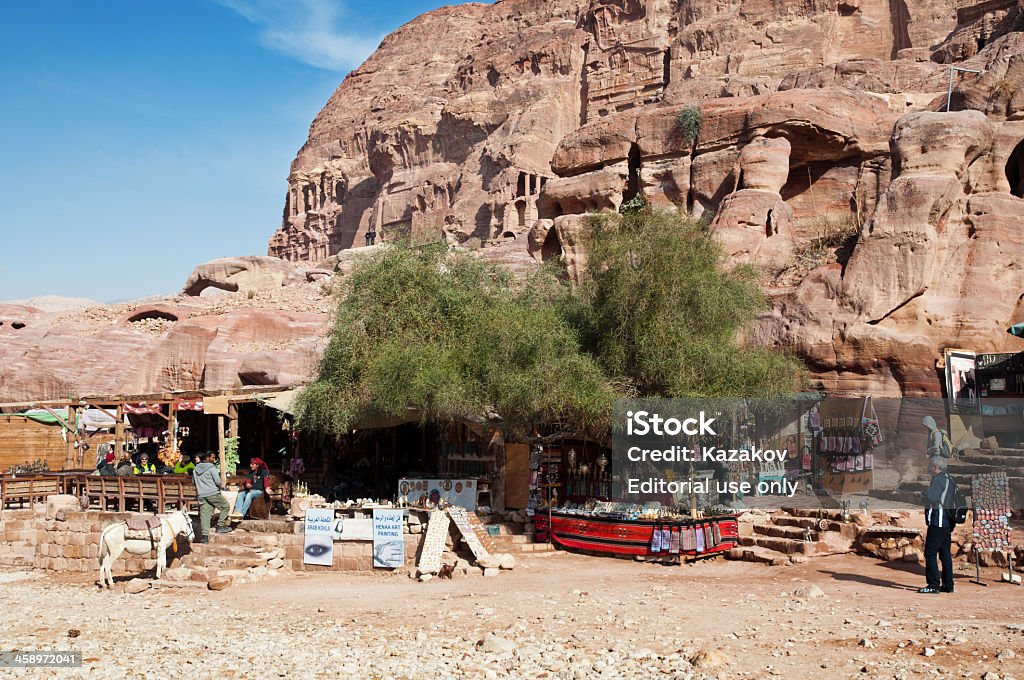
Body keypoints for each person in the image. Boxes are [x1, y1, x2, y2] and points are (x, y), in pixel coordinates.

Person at [920, 456, 956, 594]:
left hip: (938, 520)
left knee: (930, 553)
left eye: (931, 467)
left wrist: (925, 494)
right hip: (947, 522)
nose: (930, 470)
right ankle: (948, 585)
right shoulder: (950, 479)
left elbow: (933, 497)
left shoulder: (938, 480)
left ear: (936, 467)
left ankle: (933, 585)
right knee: (945, 554)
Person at [192, 451, 233, 543]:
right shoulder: (211, 468)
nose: (214, 460)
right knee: (225, 506)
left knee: (205, 516)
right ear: (207, 458)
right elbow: (218, 481)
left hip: (201, 494)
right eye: (212, 458)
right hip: (212, 493)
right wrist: (222, 487)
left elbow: (194, 482)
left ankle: (205, 537)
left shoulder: (195, 470)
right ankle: (220, 525)